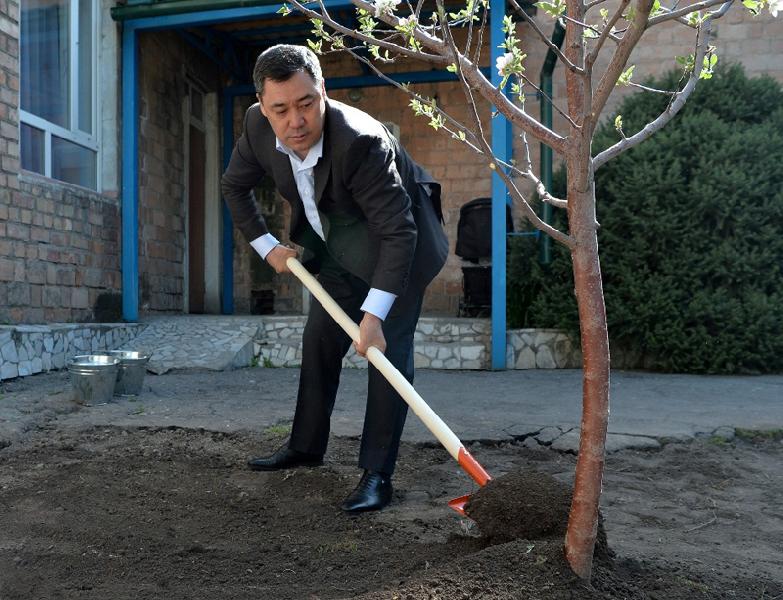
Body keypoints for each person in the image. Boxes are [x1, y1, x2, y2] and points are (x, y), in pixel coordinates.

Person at [221, 44, 448, 513]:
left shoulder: (362, 141)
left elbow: (397, 232)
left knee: (386, 355)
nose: (296, 121)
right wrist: (267, 247)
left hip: (401, 249)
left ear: (323, 90)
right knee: (320, 337)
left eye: (306, 103)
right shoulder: (257, 126)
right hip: (341, 244)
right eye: (280, 109)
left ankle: (377, 474)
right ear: (263, 105)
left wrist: (373, 316)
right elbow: (234, 186)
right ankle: (306, 447)